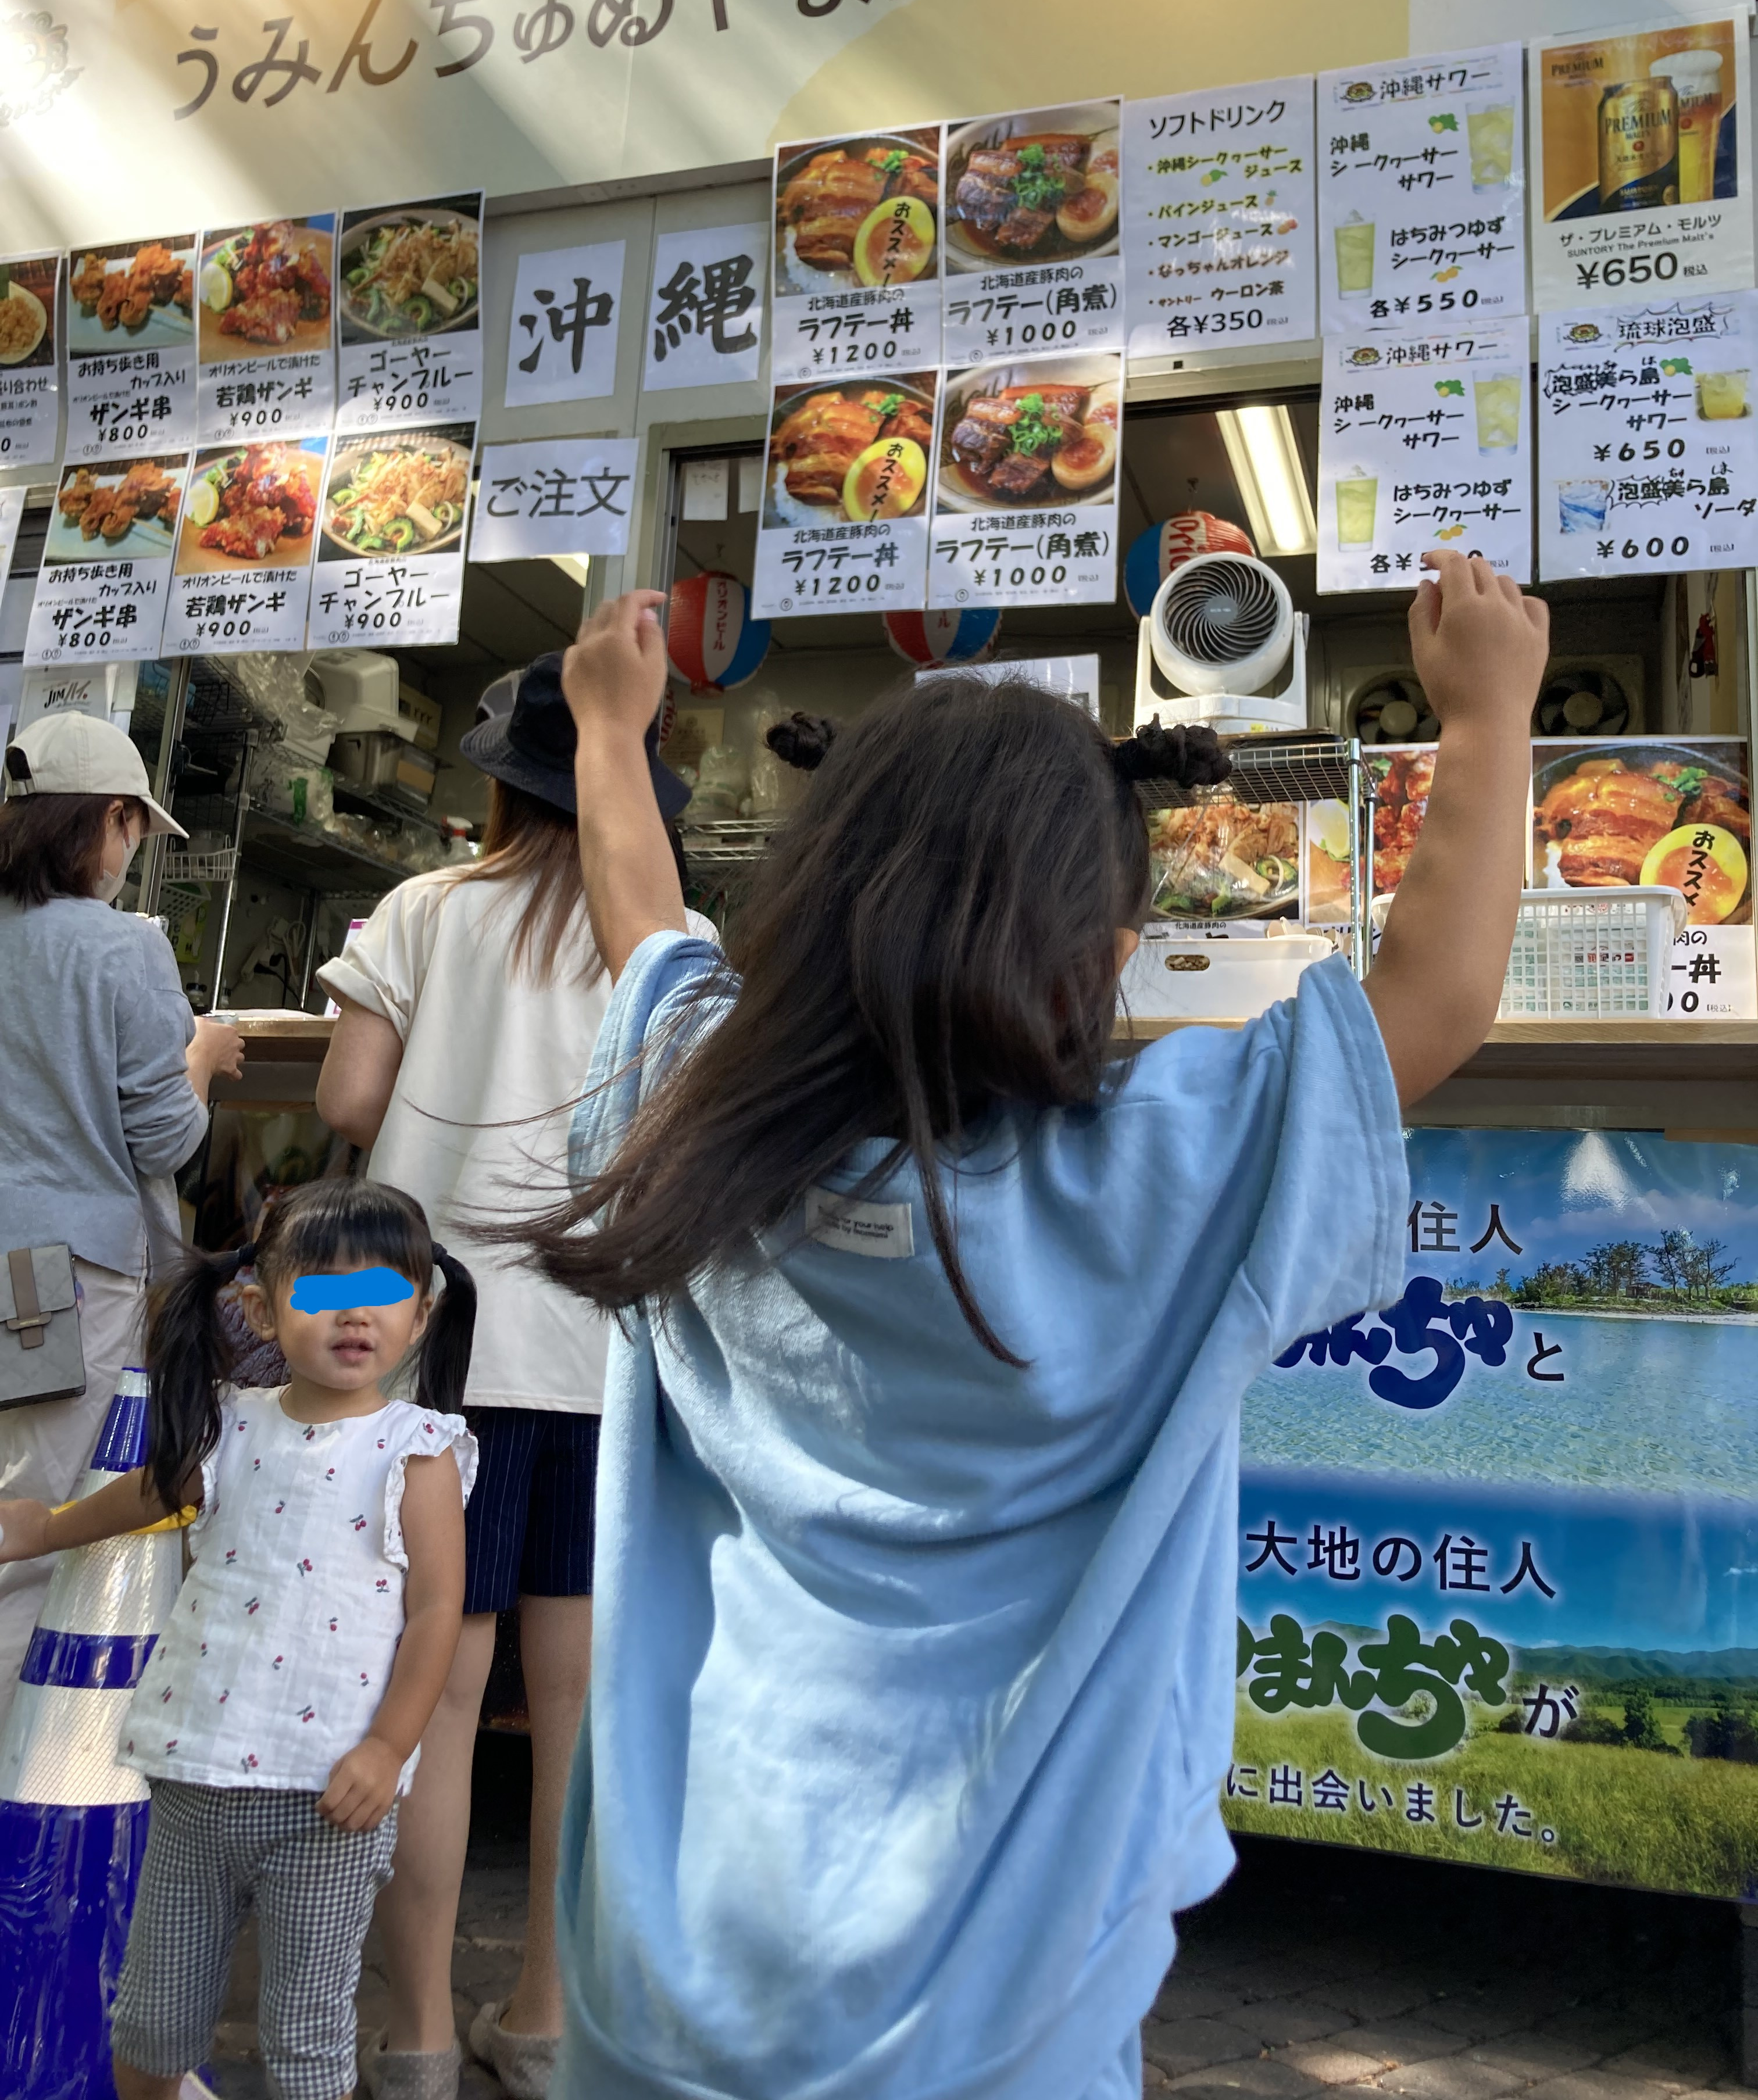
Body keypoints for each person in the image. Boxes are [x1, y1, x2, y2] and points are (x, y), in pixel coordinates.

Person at [519, 553, 1549, 2099]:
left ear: (807, 905)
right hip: (1009, 2025)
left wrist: (609, 732)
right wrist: (1487, 714)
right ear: (1111, 953)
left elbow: (641, 921)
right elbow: (1440, 997)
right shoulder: (1161, 1169)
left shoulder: (700, 1116)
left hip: (665, 1987)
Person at [312, 653, 713, 2100]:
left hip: (439, 1364)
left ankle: (416, 2037)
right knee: (578, 1716)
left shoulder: (424, 907)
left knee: (427, 1704)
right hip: (603, 1358)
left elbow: (349, 1099)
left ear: (498, 782)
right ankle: (544, 2023)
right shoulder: (675, 936)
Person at [0, 1174, 478, 2100]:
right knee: (151, 2025)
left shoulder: (417, 1450)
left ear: (420, 1315)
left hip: (329, 1798)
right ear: (261, 1310)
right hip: (196, 1777)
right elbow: (152, 1493)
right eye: (326, 1289)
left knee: (306, 2044)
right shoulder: (231, 1426)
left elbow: (436, 1612)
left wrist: (389, 1747)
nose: (357, 1314)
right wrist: (45, 1527)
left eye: (385, 1292)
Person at [0, 709, 244, 1730]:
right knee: (29, 1523)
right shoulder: (120, 947)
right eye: (135, 828)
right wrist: (203, 1059)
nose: (131, 849)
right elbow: (166, 1139)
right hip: (49, 1275)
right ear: (108, 818)